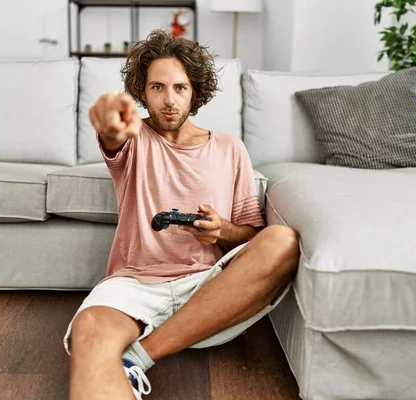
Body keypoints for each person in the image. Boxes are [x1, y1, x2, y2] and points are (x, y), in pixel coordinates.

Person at [64, 29, 299, 400]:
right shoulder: (134, 138)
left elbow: (254, 236)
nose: (168, 100)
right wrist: (110, 120)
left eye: (179, 88)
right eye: (157, 88)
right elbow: (111, 131)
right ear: (142, 91)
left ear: (195, 92)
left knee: (282, 240)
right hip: (135, 285)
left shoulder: (229, 149)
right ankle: (129, 355)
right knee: (89, 330)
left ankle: (139, 357)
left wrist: (222, 230)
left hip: (210, 288)